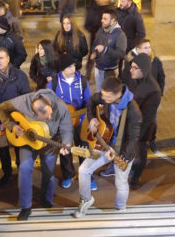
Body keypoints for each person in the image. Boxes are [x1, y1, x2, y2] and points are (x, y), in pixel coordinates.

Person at [0, 89, 73, 221]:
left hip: (50, 142)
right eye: (46, 116)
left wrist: (66, 143)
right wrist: (12, 126)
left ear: (49, 104)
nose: (50, 117)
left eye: (50, 113)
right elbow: (0, 109)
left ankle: (46, 199)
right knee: (24, 169)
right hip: (27, 140)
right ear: (34, 113)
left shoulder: (60, 106)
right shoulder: (21, 102)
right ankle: (25, 207)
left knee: (48, 171)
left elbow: (66, 127)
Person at [73, 77, 141, 218]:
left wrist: (121, 156)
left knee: (120, 183)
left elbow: (133, 139)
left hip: (123, 151)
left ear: (118, 95)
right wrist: (92, 118)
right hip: (104, 141)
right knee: (83, 170)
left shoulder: (134, 112)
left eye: (107, 97)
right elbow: (92, 100)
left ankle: (120, 209)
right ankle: (86, 199)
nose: (103, 98)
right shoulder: (105, 96)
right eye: (103, 95)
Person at [0, 48, 31, 187]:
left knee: (19, 146)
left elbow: (26, 97)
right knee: (2, 150)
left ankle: (21, 170)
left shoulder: (19, 76)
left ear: (8, 59)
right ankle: (7, 172)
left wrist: (22, 118)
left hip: (17, 120)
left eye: (1, 58)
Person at [48, 54, 93, 190]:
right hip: (62, 122)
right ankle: (68, 175)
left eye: (73, 65)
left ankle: (88, 176)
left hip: (80, 121)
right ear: (62, 68)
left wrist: (84, 117)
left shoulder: (83, 81)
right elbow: (49, 102)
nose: (72, 69)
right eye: (68, 67)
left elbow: (89, 102)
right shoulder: (54, 82)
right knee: (65, 149)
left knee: (84, 148)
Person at [121, 54, 161, 188]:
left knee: (139, 153)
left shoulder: (153, 90)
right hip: (127, 122)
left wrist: (135, 136)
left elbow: (147, 117)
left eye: (135, 68)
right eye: (131, 67)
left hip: (143, 127)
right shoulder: (131, 77)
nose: (130, 70)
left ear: (143, 70)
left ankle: (136, 176)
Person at [91, 9, 127, 91]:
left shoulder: (120, 34)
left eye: (105, 19)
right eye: (102, 18)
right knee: (99, 92)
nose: (102, 20)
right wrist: (94, 52)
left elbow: (121, 54)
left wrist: (105, 49)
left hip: (110, 71)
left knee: (108, 93)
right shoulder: (101, 30)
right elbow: (95, 43)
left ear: (112, 20)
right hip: (98, 68)